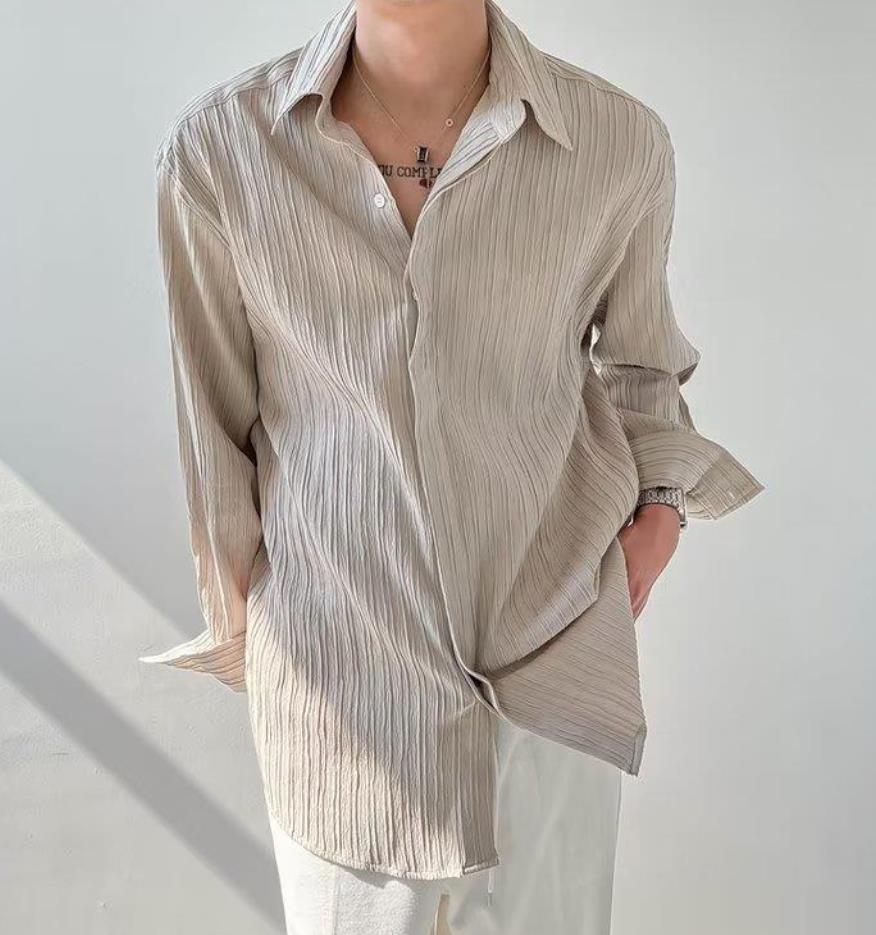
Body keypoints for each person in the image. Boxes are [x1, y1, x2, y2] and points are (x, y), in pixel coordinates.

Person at [139, 0, 765, 931]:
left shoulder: (615, 142)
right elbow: (214, 419)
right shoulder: (222, 151)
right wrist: (269, 638)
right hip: (342, 687)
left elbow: (642, 365)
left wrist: (659, 515)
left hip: (554, 656)